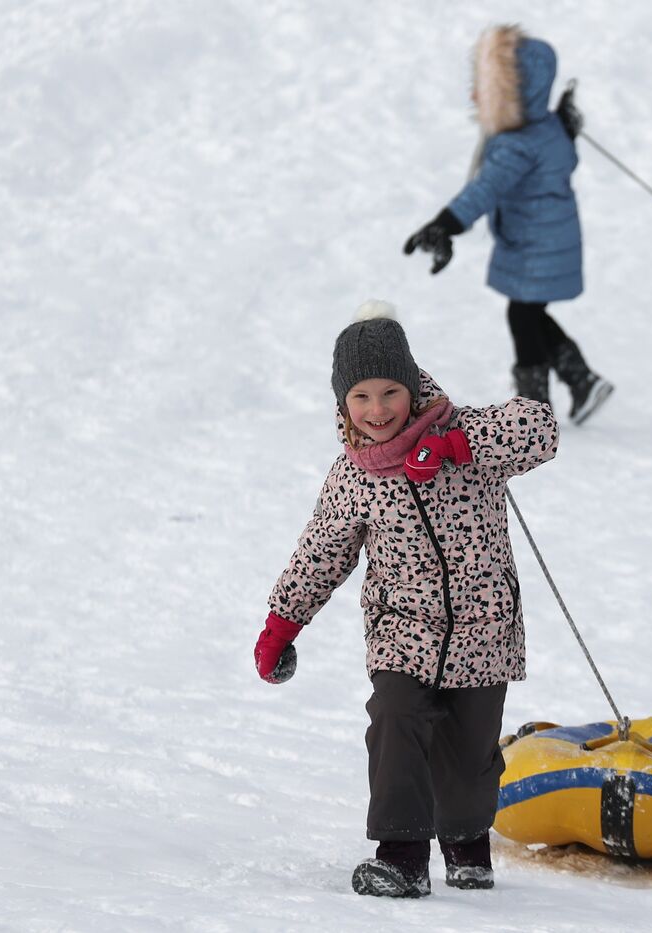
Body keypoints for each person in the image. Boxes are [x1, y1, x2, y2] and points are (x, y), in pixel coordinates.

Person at [253, 301, 558, 897]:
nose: (377, 410)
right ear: (342, 404)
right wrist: (281, 625)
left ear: (412, 386)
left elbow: (539, 428)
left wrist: (457, 443)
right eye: (360, 398)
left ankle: (468, 845)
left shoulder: (464, 434)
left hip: (484, 628)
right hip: (402, 630)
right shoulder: (353, 476)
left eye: (390, 392)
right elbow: (322, 553)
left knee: (471, 755)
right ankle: (400, 855)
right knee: (394, 721)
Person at [403, 24, 612, 425]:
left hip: (536, 245)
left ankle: (534, 410)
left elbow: (484, 190)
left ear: (512, 94)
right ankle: (582, 380)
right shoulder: (547, 128)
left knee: (523, 316)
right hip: (547, 237)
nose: (474, 96)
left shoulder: (517, 145)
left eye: (486, 88)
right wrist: (565, 124)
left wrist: (444, 224)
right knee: (529, 313)